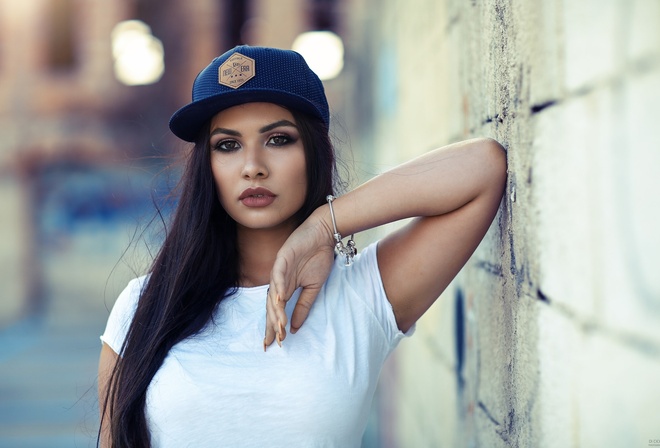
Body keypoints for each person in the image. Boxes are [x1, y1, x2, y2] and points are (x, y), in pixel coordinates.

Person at [97, 45, 507, 448]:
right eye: (227, 145)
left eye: (278, 139)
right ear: (207, 165)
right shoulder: (144, 304)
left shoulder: (363, 296)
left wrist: (322, 226)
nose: (252, 165)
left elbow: (483, 167)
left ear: (314, 152)